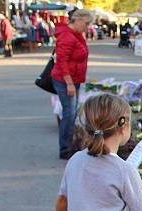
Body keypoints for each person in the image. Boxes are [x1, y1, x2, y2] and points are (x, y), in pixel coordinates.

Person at [51, 8, 92, 160]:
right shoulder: (67, 36)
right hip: (65, 80)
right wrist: (69, 83)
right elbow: (62, 61)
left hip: (74, 79)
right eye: (86, 23)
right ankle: (65, 149)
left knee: (71, 113)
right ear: (78, 20)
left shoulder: (76, 35)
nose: (87, 27)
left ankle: (69, 145)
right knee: (69, 114)